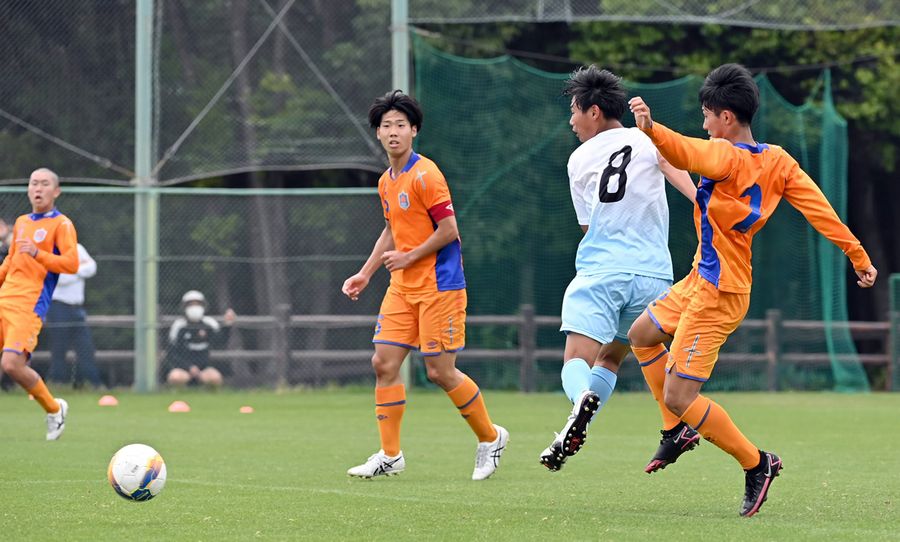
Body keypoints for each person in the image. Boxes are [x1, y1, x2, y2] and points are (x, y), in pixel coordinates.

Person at [626, 63, 877, 517]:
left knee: (679, 396)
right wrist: (858, 256)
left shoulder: (724, 155)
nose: (704, 125)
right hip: (703, 280)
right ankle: (676, 431)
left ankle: (757, 463)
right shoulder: (777, 160)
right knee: (642, 335)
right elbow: (820, 211)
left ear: (725, 117)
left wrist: (651, 128)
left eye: (706, 116)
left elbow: (688, 152)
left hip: (717, 294)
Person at [342, 90, 508, 481]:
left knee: (439, 372)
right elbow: (391, 229)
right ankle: (390, 454)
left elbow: (449, 230)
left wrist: (409, 257)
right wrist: (366, 272)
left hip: (440, 286)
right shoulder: (386, 181)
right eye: (387, 126)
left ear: (414, 131)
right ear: (378, 135)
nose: (394, 132)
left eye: (401, 125)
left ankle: (490, 437)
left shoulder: (427, 175)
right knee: (383, 363)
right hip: (402, 286)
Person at [539, 66, 698, 472]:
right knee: (612, 357)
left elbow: (588, 227)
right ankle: (577, 426)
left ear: (593, 111)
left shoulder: (578, 160)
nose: (571, 121)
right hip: (653, 275)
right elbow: (677, 171)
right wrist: (703, 204)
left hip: (603, 271)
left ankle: (578, 405)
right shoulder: (645, 137)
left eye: (574, 111)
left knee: (577, 357)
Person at [0, 167, 78, 440]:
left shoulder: (62, 224)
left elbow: (70, 263)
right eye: (34, 183)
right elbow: (11, 261)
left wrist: (38, 253)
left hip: (29, 305)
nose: (38, 188)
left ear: (55, 191)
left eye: (44, 184)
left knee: (11, 364)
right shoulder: (21, 221)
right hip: (4, 299)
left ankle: (54, 408)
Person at [47, 243, 104, 389]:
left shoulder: (77, 248)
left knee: (86, 348)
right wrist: (79, 268)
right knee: (59, 348)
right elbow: (59, 280)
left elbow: (92, 267)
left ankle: (93, 384)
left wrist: (69, 269)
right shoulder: (49, 251)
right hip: (58, 307)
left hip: (77, 309)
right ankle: (57, 384)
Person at [165, 290, 236, 388]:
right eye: (191, 304)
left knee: (215, 379)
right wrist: (189, 367)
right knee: (175, 378)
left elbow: (220, 342)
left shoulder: (209, 324)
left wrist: (228, 325)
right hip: (183, 368)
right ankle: (180, 393)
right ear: (184, 307)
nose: (194, 307)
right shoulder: (178, 326)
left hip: (204, 368)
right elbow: (171, 353)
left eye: (198, 304)